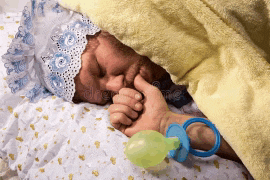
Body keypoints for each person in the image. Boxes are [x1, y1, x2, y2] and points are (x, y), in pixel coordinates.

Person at [1, 0, 241, 164]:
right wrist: (167, 122)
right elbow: (256, 147)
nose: (116, 87)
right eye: (106, 96)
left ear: (106, 27)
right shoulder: (177, 102)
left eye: (99, 69)